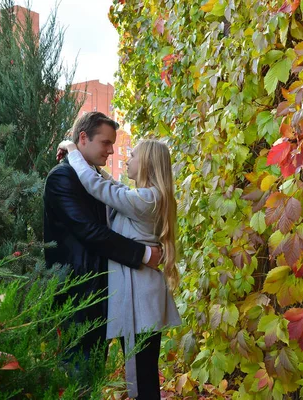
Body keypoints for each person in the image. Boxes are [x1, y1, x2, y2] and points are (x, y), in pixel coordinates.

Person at [57, 137, 181, 399]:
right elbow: (113, 187)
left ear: (146, 162)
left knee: (141, 378)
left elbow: (100, 189)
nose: (127, 159)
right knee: (143, 373)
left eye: (133, 155)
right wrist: (93, 165)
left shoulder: (147, 199)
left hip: (140, 300)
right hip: (143, 296)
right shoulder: (147, 197)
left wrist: (72, 152)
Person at [43, 112, 162, 366]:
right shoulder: (62, 178)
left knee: (94, 372)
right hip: (77, 296)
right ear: (83, 138)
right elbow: (90, 232)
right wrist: (143, 253)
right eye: (106, 143)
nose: (111, 151)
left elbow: (110, 191)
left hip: (102, 294)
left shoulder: (92, 177)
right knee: (79, 373)